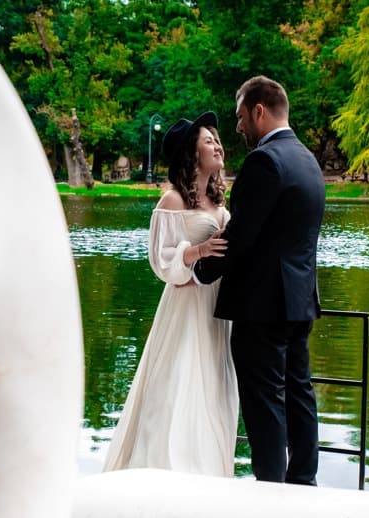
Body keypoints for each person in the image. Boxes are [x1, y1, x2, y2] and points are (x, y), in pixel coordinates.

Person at [194, 76, 325, 485]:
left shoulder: (265, 161)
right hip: (299, 301)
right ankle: (303, 480)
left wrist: (199, 269)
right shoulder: (306, 159)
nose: (236, 129)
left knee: (265, 401)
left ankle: (271, 489)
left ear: (258, 111)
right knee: (298, 392)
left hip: (262, 306)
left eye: (239, 118)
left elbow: (241, 237)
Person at [102, 112, 238, 476]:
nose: (218, 145)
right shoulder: (172, 201)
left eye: (216, 139)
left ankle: (210, 471)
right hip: (186, 306)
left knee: (212, 387)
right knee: (180, 383)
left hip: (216, 308)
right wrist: (198, 251)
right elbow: (161, 264)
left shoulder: (220, 203)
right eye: (208, 141)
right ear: (191, 154)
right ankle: (169, 469)